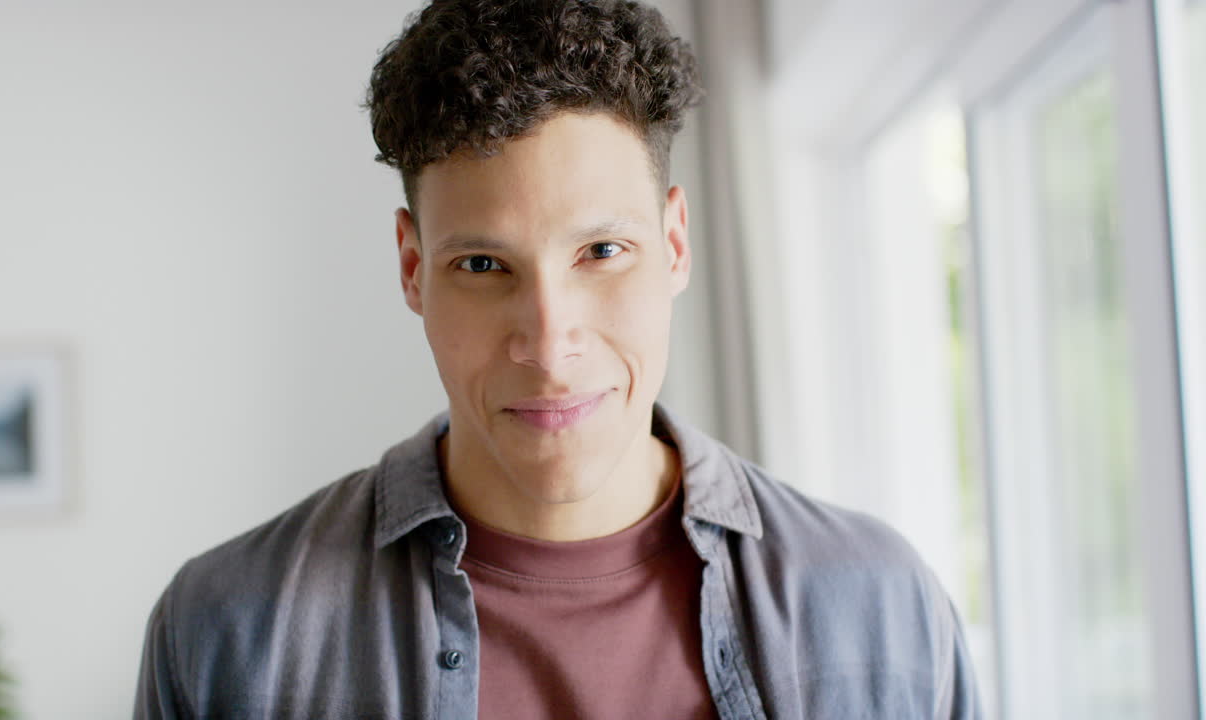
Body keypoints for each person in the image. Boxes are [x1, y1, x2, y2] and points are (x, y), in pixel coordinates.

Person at [133, 1, 983, 718]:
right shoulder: (227, 634)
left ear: (675, 243)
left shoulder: (880, 611)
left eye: (602, 251)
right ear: (411, 268)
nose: (547, 342)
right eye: (481, 266)